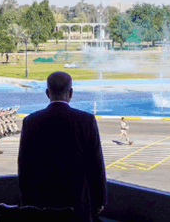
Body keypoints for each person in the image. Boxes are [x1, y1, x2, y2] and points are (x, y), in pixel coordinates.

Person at [18, 72, 106, 222]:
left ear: (47, 93)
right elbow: (96, 164)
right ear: (71, 93)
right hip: (78, 203)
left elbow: (24, 167)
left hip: (42, 203)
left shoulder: (31, 121)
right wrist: (100, 200)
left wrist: (27, 203)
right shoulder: (86, 120)